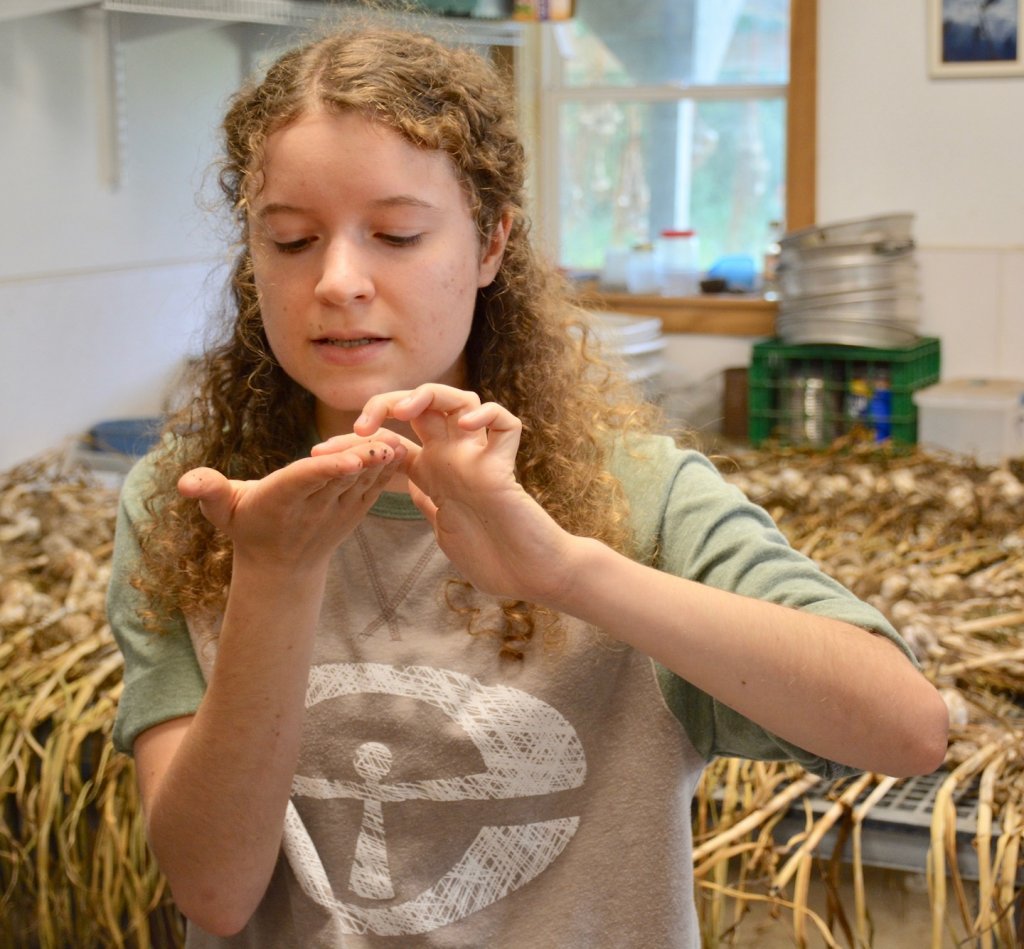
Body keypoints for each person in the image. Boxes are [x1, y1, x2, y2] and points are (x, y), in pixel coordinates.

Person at [106, 18, 949, 949]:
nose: (339, 280)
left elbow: (904, 730)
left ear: (492, 243)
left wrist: (567, 570)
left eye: (395, 233)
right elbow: (213, 892)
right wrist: (273, 578)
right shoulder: (189, 504)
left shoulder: (633, 493)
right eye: (292, 240)